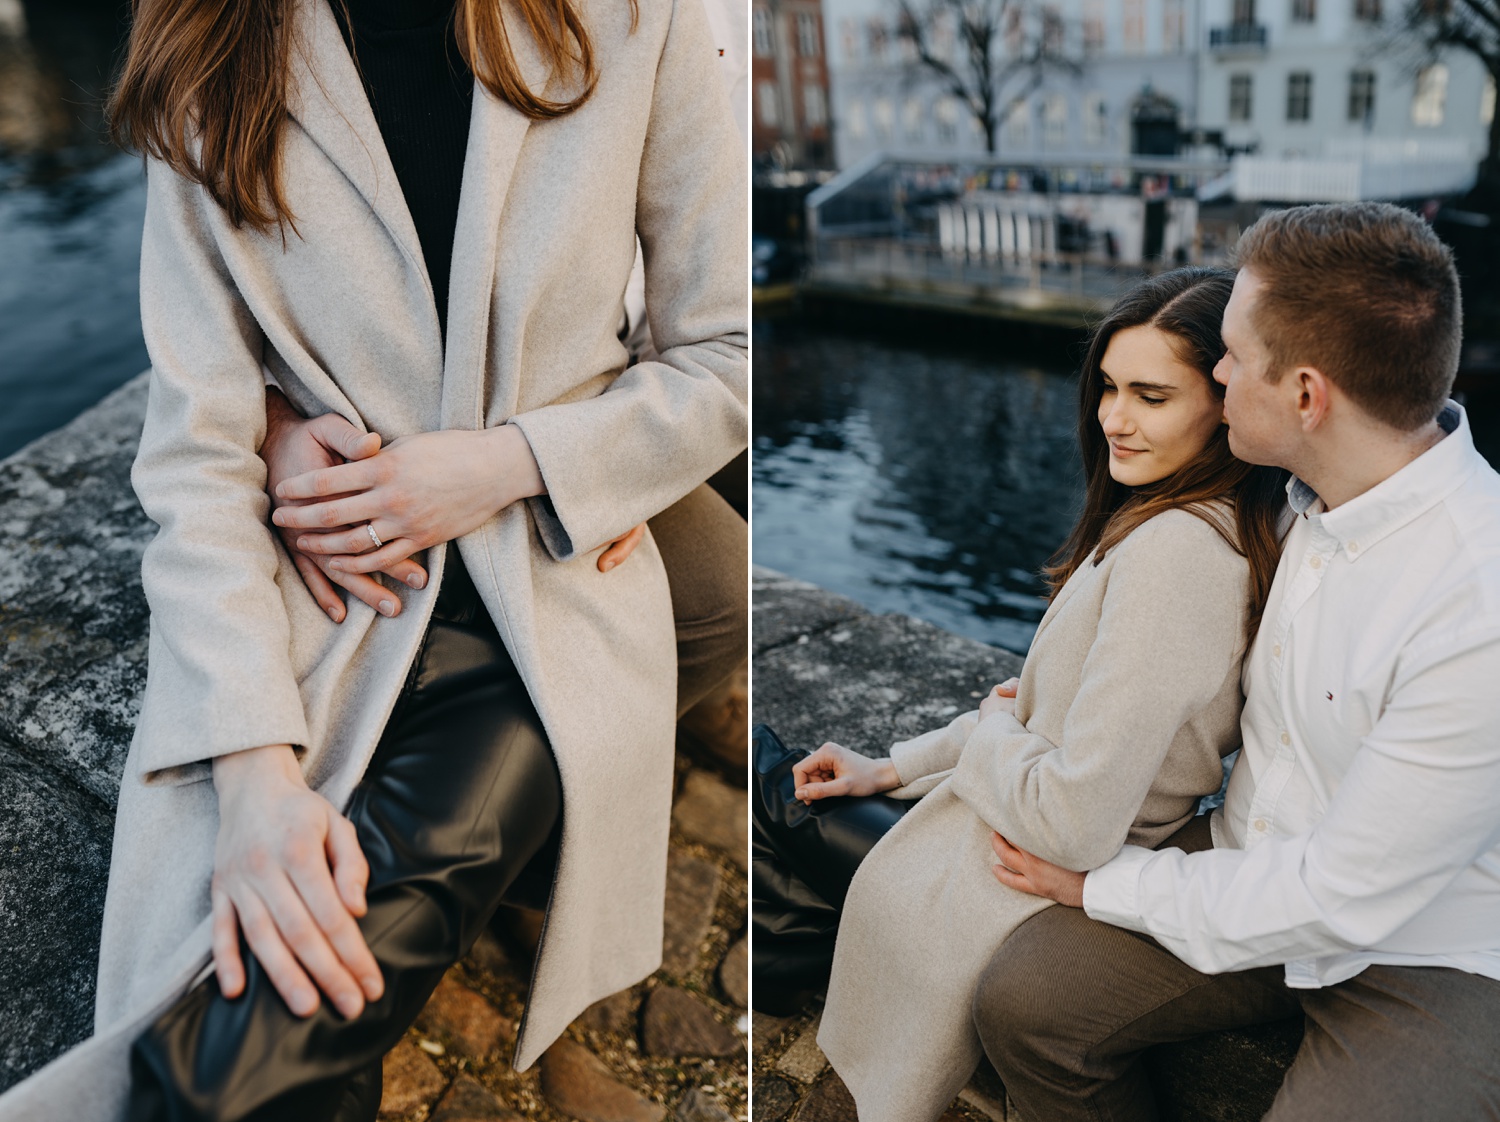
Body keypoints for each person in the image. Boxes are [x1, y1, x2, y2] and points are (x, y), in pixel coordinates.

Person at [0, 0, 745, 1117]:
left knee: (228, 1066)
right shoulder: (207, 50)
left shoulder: (634, 16)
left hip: (547, 564)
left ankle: (547, 859)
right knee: (232, 1023)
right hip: (331, 579)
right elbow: (192, 451)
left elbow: (723, 354)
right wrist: (250, 774)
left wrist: (522, 463)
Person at [976, 202, 1500, 1122]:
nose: (1213, 377)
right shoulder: (1294, 505)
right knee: (1024, 1002)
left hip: (1429, 946)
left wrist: (1103, 884)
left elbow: (1342, 894)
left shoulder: (1476, 597)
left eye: (1229, 356)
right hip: (1244, 856)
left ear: (1305, 396)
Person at [751, 266, 1288, 1122]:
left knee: (774, 800)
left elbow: (1071, 814)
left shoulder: (1177, 559)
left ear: (1225, 404)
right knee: (795, 796)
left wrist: (997, 730)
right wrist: (890, 768)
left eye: (1151, 396)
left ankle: (769, 996)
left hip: (1020, 868)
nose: (1114, 417)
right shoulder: (1191, 521)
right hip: (1017, 841)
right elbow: (1040, 719)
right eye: (1109, 387)